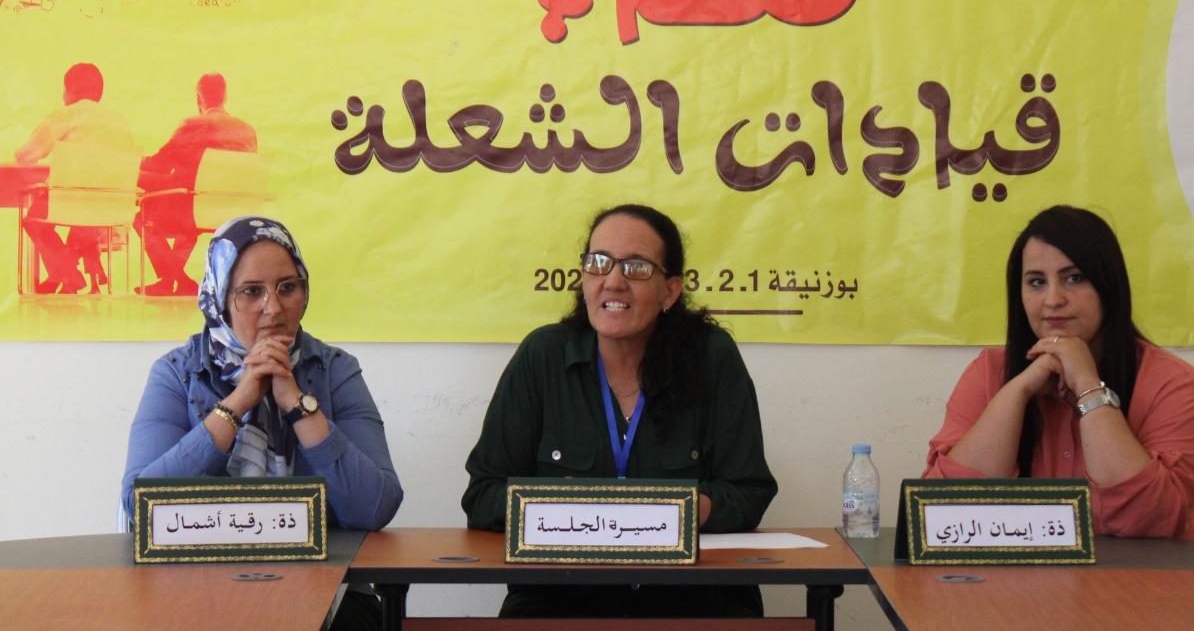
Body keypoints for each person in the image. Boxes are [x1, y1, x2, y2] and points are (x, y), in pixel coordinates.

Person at [462, 204, 777, 618]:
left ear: (670, 291)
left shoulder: (712, 359)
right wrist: (557, 506)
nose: (613, 282)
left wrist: (689, 509)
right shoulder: (543, 357)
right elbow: (482, 495)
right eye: (599, 263)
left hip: (692, 599)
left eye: (636, 268)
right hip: (561, 599)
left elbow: (750, 491)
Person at [121, 215, 402, 629]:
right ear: (220, 298)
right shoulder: (178, 373)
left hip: (329, 588)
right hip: (195, 589)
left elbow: (376, 506)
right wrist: (238, 403)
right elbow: (141, 504)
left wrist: (296, 403)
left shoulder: (333, 370)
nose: (273, 307)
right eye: (251, 291)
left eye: (287, 287)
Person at [922, 205, 1194, 541]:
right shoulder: (988, 373)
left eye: (1074, 278)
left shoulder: (1174, 382)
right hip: (1015, 575)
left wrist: (1088, 386)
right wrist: (1017, 391)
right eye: (1036, 282)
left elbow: (1151, 521)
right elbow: (942, 514)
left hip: (1142, 575)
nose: (1053, 299)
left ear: (1108, 285)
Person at [135, 72, 258, 296]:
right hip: (234, 210)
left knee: (141, 215)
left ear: (198, 98)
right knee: (187, 206)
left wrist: (135, 161)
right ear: (225, 96)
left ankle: (175, 278)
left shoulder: (193, 125)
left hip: (193, 207)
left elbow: (159, 165)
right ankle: (173, 282)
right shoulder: (247, 131)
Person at [16, 62, 134, 293]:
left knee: (33, 220)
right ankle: (62, 276)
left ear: (70, 90)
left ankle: (68, 274)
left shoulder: (66, 115)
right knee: (82, 224)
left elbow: (26, 154)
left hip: (71, 201)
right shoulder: (120, 120)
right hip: (112, 206)